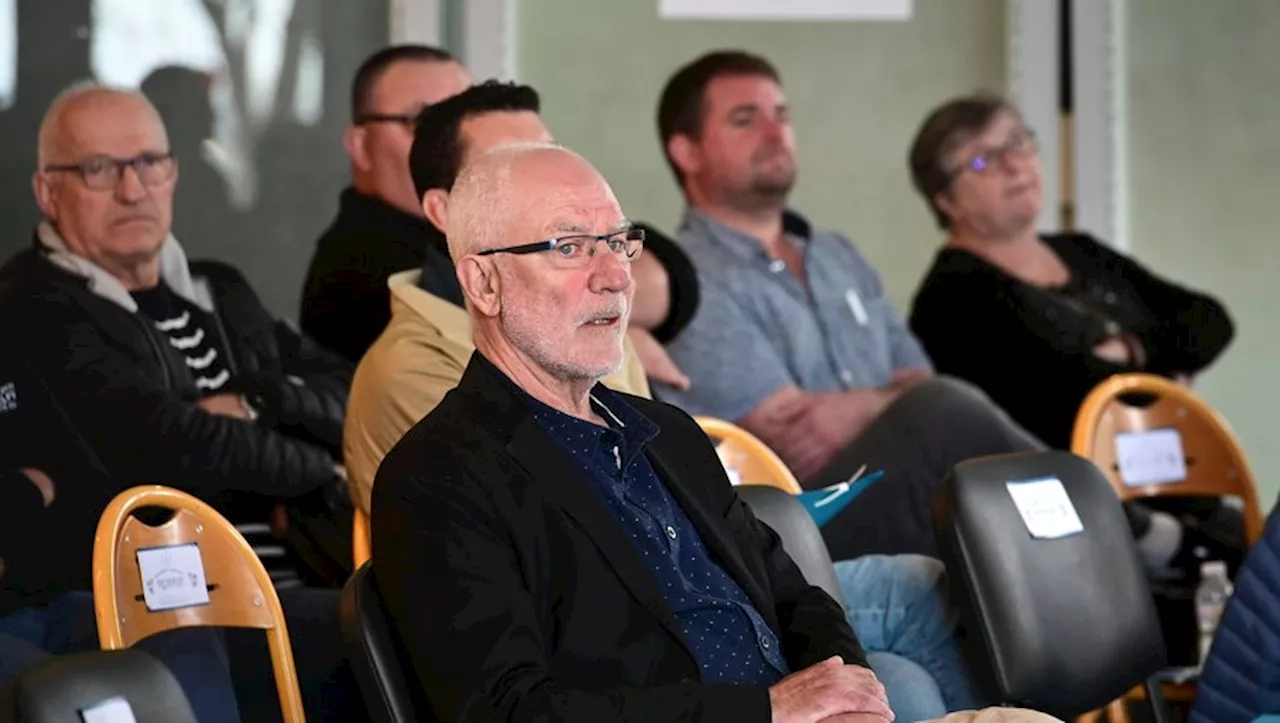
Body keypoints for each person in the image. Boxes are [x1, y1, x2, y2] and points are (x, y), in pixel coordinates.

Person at [372, 140, 895, 722]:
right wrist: (765, 710)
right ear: (484, 283)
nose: (617, 278)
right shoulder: (439, 476)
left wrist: (846, 696)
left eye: (619, 243)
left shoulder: (669, 433)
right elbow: (509, 713)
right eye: (569, 248)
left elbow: (797, 599)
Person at [0, 81, 364, 722]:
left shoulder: (220, 289)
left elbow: (349, 390)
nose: (133, 189)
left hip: (303, 567)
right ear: (47, 192)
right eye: (98, 169)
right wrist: (320, 469)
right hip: (163, 592)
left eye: (149, 163)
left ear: (173, 171)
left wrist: (253, 402)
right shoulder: (33, 303)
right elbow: (169, 446)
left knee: (408, 616)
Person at [651, 50, 1044, 562]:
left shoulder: (839, 256)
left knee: (982, 490)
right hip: (791, 524)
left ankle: (1119, 542)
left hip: (890, 485)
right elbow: (794, 440)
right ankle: (1129, 524)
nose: (775, 133)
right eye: (746, 120)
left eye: (782, 116)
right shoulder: (684, 282)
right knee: (945, 415)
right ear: (687, 152)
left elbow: (918, 379)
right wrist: (895, 404)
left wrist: (865, 408)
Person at [343, 81, 652, 515]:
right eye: (508, 162)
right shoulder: (412, 367)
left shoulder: (590, 306)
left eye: (546, 153)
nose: (614, 278)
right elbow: (560, 528)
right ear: (444, 211)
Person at [905, 91, 1235, 451]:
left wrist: (1131, 349)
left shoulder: (1081, 251)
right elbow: (1067, 398)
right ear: (946, 201)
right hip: (1073, 494)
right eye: (985, 161)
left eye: (1019, 142)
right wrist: (1169, 375)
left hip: (1177, 483)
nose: (1015, 165)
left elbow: (1209, 321)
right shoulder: (950, 299)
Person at [0, 353, 242, 723]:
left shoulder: (11, 363)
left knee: (181, 620)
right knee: (64, 693)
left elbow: (85, 482)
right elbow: (35, 487)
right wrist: (26, 491)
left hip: (63, 596)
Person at [300, 44, 472, 362]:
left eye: (465, 122)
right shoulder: (368, 274)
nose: (452, 148)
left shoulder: (453, 242)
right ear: (361, 146)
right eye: (421, 123)